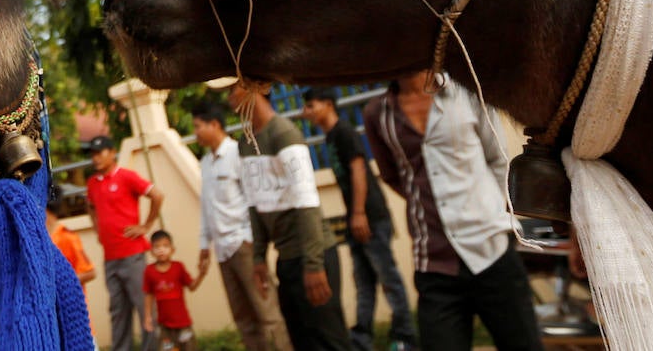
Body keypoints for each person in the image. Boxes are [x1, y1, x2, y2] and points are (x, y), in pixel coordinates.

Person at [363, 70, 543, 351]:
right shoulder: (377, 114)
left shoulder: (468, 91)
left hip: (492, 253)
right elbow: (392, 177)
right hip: (433, 263)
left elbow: (497, 159)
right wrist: (427, 203)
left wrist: (488, 211)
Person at [225, 82, 349, 351]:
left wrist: (314, 265)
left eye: (233, 89)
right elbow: (255, 205)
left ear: (255, 88)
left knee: (330, 340)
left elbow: (306, 202)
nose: (229, 98)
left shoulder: (284, 134)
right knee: (302, 340)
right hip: (287, 260)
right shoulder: (245, 144)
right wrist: (258, 258)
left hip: (313, 254)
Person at [302, 87, 418, 351]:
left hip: (370, 217)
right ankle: (362, 340)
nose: (305, 112)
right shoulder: (330, 137)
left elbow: (358, 170)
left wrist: (358, 213)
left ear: (328, 104)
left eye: (310, 105)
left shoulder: (343, 132)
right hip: (357, 219)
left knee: (388, 278)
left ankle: (405, 338)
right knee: (364, 282)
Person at [192, 102, 292, 351]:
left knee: (266, 312)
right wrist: (205, 245)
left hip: (243, 245)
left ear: (214, 125)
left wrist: (251, 241)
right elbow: (207, 206)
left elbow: (253, 200)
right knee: (243, 318)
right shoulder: (205, 162)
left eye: (198, 127)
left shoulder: (238, 154)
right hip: (223, 250)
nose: (195, 133)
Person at [85, 134, 165, 351]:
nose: (96, 158)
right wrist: (97, 228)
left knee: (144, 307)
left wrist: (145, 226)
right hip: (110, 258)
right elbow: (90, 206)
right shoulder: (92, 183)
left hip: (133, 255)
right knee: (118, 311)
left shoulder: (127, 176)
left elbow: (157, 195)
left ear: (112, 153)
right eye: (93, 153)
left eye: (100, 152)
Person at [143, 230, 202, 351]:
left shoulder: (178, 267)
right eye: (157, 247)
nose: (161, 250)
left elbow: (192, 286)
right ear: (151, 251)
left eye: (165, 246)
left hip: (183, 324)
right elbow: (148, 294)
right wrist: (148, 316)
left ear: (172, 249)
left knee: (189, 348)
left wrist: (202, 274)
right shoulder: (149, 271)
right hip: (165, 326)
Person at [47, 183, 97, 315]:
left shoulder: (67, 237)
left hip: (72, 311)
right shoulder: (40, 239)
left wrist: (61, 282)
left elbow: (90, 272)